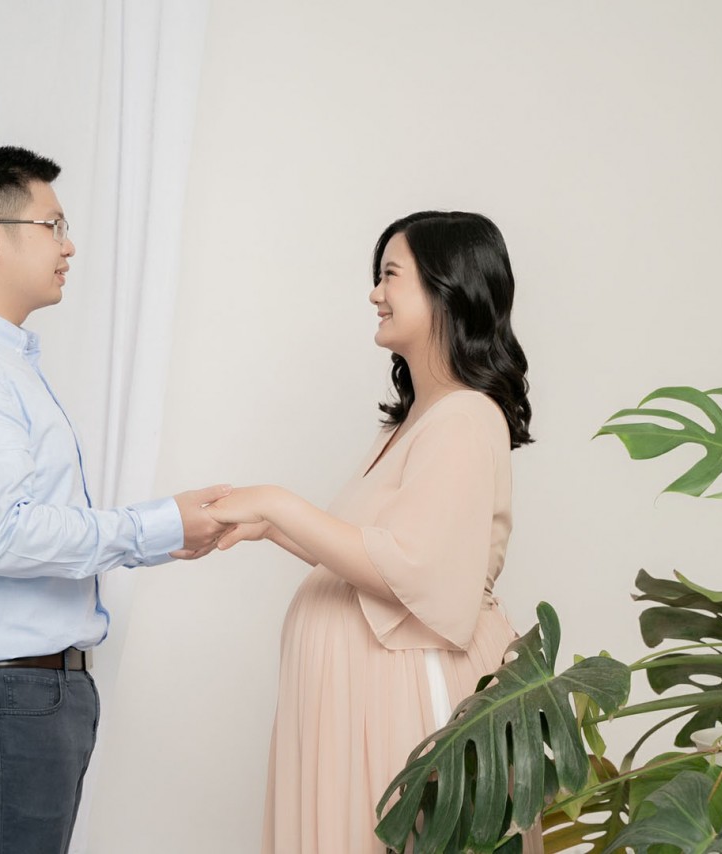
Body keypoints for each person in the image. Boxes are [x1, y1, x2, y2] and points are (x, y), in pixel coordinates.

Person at [0, 144, 232, 854]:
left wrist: (166, 531)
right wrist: (156, 526)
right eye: (53, 225)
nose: (69, 246)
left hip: (20, 697)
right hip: (0, 700)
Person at [205, 211, 541, 853]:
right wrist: (269, 526)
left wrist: (277, 502)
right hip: (367, 699)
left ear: (447, 288)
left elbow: (418, 570)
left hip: (415, 692)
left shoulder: (465, 417)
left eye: (390, 275)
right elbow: (367, 551)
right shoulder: (415, 421)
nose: (374, 293)